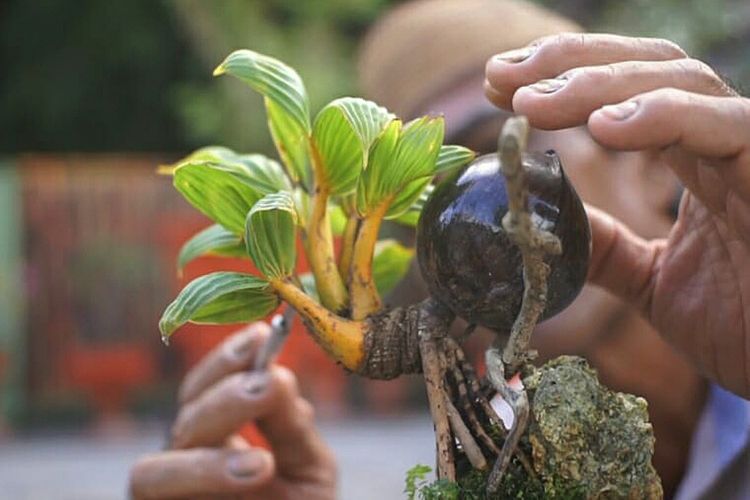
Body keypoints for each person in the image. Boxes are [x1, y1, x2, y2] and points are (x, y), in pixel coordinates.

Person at [130, 1, 750, 498]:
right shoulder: (494, 469)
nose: (472, 224)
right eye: (429, 205)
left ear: (644, 155)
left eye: (498, 148)